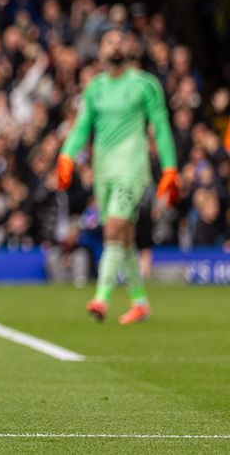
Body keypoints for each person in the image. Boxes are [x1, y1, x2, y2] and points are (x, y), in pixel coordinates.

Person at [56, 30, 179, 325]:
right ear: (99, 50)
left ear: (129, 49)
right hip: (104, 172)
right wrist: (66, 155)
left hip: (132, 169)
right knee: (124, 238)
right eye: (110, 41)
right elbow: (83, 125)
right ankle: (140, 303)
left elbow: (160, 126)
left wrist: (170, 167)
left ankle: (101, 298)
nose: (116, 45)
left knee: (113, 228)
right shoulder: (95, 88)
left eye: (121, 41)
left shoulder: (144, 84)